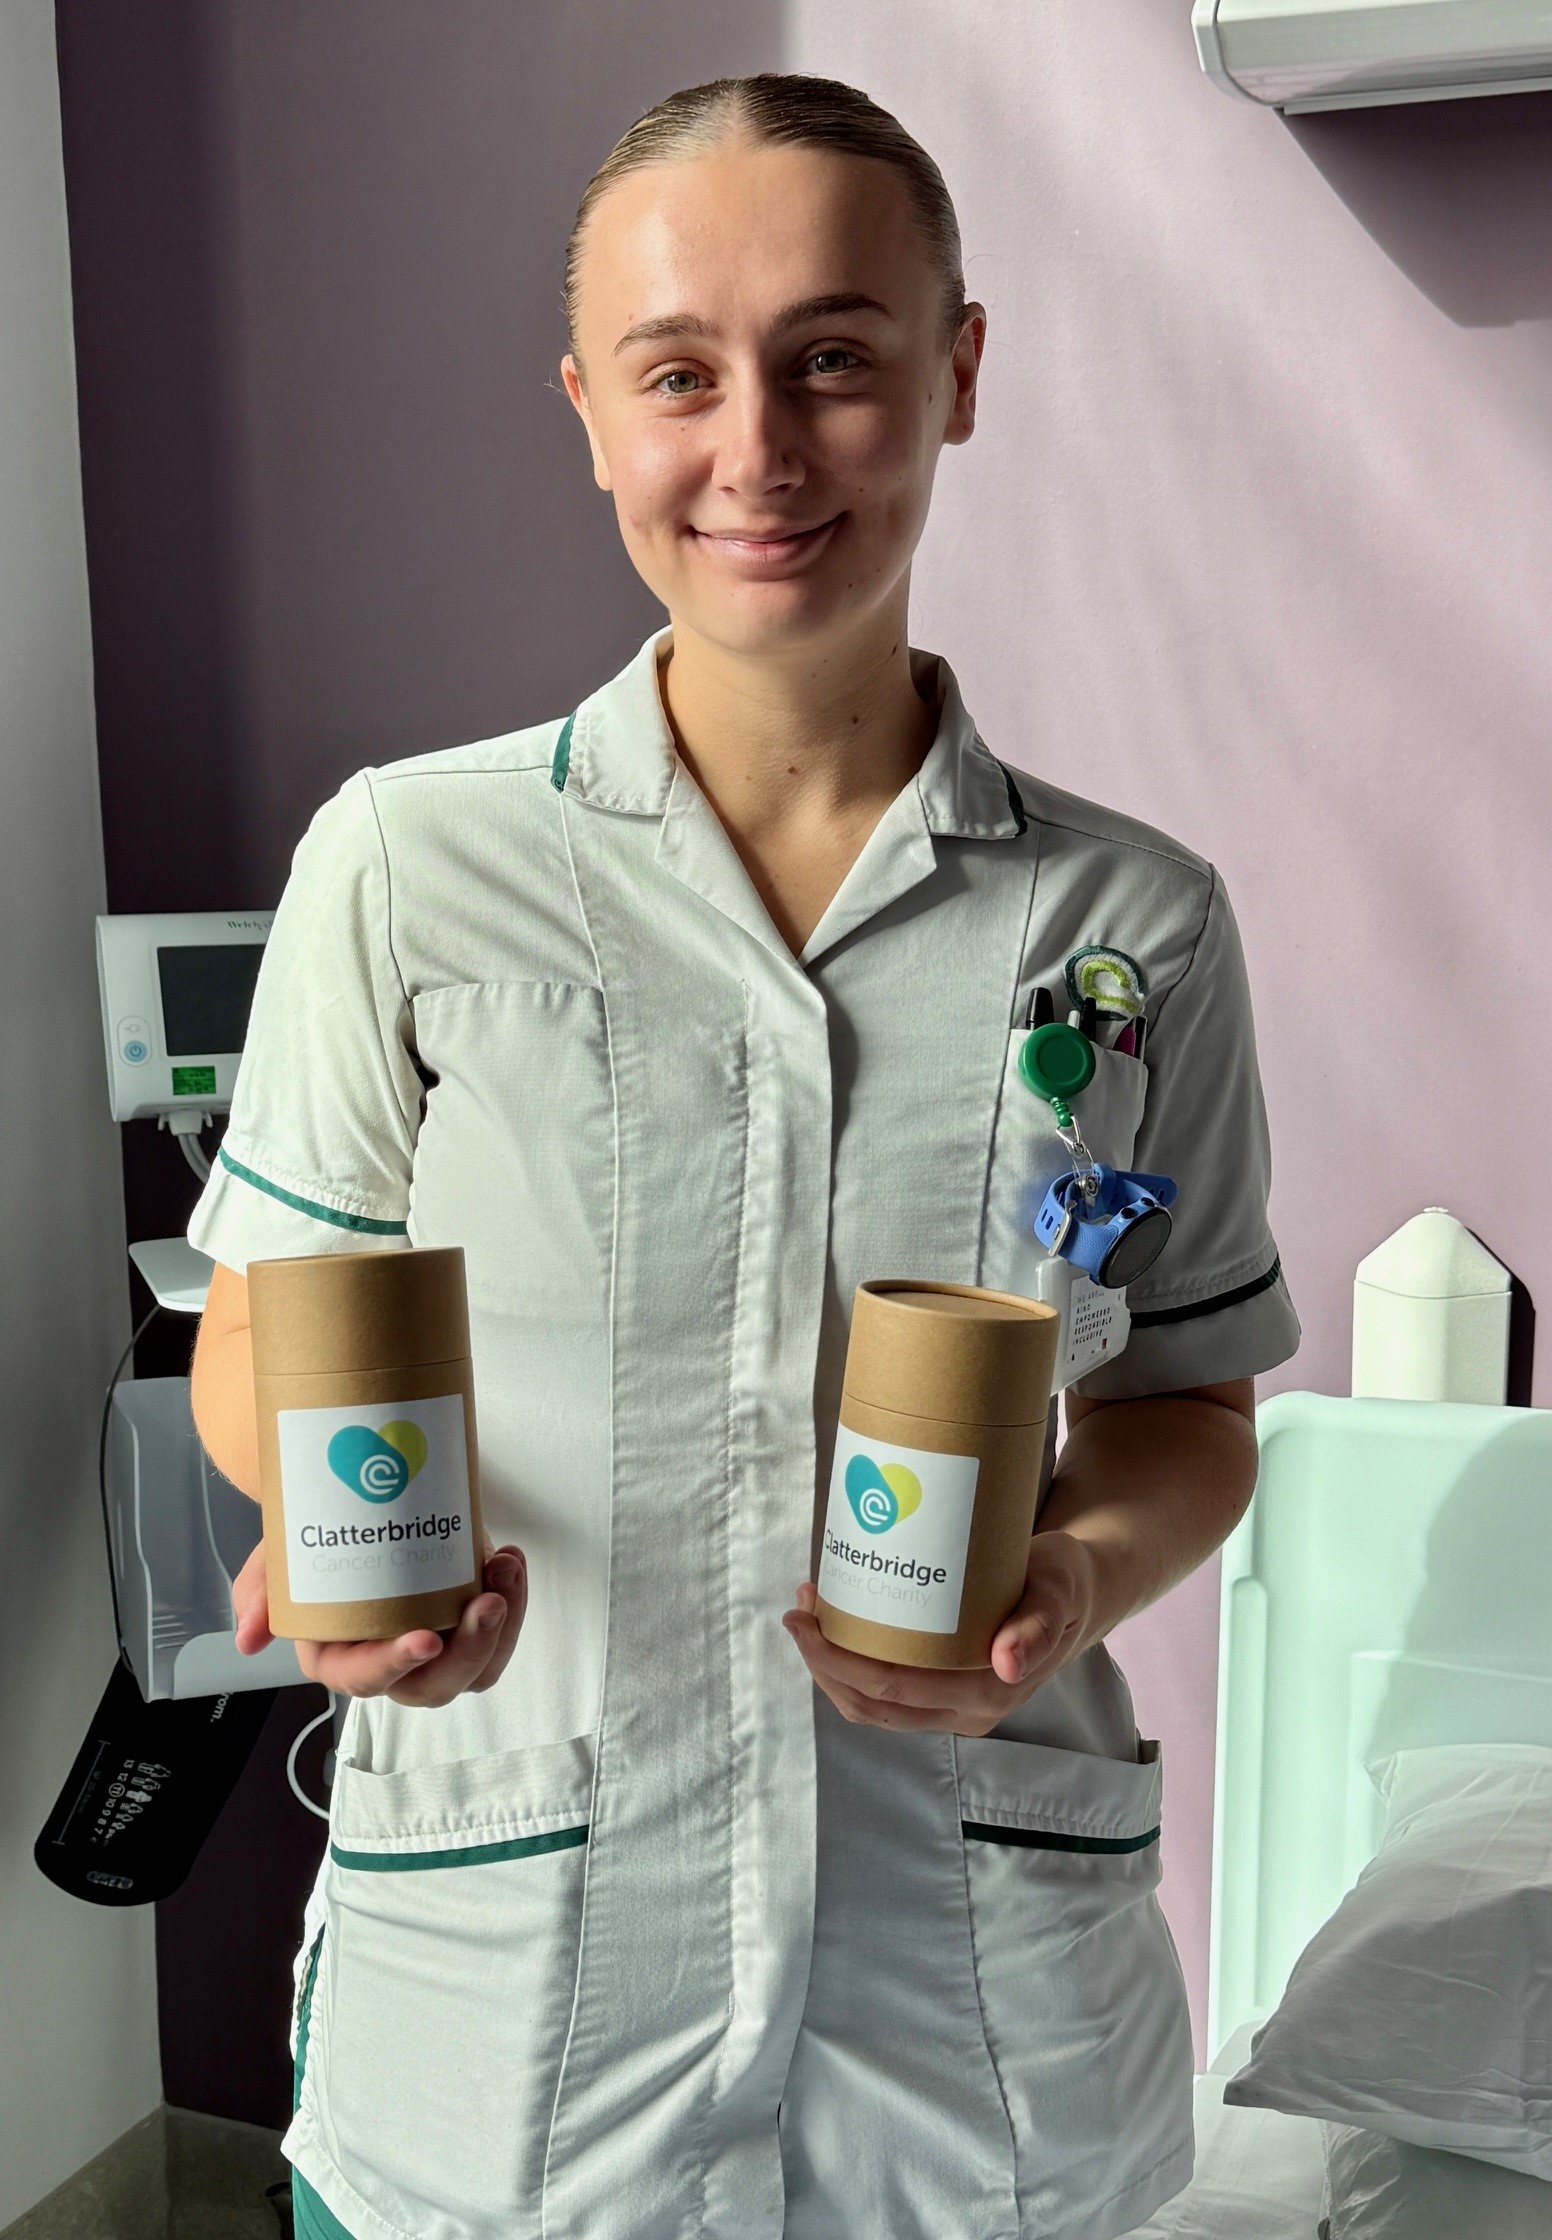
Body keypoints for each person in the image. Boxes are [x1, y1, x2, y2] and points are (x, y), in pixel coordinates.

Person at [189, 72, 1299, 2240]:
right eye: (679, 375)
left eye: (835, 362)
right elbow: (260, 1330)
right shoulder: (409, 866)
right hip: (504, 2042)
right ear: (591, 409)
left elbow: (1182, 1404)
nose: (757, 452)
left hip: (966, 2064)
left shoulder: (1128, 924)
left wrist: (1075, 1573)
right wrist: (336, 1555)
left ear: (954, 375)